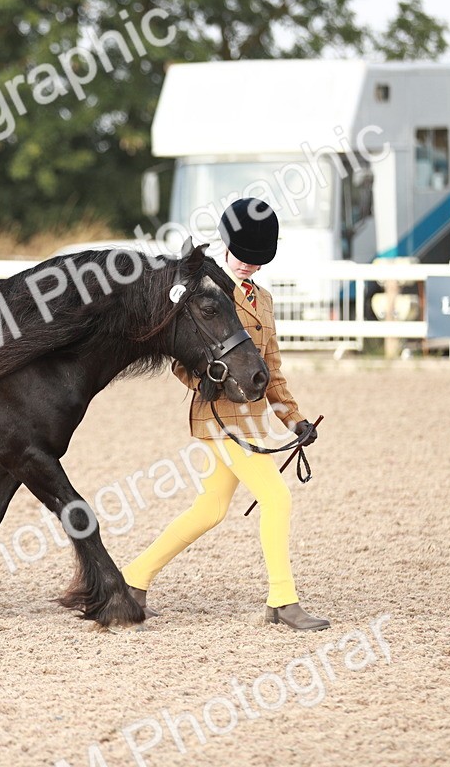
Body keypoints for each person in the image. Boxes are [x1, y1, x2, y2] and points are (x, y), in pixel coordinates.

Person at [122, 198, 329, 631]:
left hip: (252, 420)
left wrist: (295, 420)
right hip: (219, 417)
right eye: (243, 257)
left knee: (210, 510)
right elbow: (181, 356)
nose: (249, 267)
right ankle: (282, 600)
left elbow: (270, 369)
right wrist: (202, 382)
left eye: (258, 261)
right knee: (277, 498)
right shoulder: (208, 293)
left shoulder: (265, 301)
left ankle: (132, 580)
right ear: (227, 246)